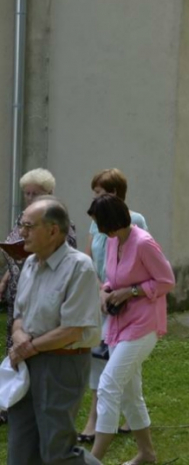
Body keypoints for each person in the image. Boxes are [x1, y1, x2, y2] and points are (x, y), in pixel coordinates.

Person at [7, 197, 101, 465]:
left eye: (28, 225)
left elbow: (72, 330)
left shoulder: (79, 267)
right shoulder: (30, 264)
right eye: (21, 224)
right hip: (27, 362)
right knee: (21, 451)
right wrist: (19, 337)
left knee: (57, 452)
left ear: (52, 231)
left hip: (62, 363)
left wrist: (30, 346)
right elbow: (19, 316)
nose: (21, 232)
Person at [88, 194, 175, 464]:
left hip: (143, 325)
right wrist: (105, 293)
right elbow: (111, 280)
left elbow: (166, 281)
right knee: (129, 393)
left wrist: (132, 292)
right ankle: (147, 453)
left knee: (108, 384)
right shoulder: (114, 241)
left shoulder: (144, 243)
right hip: (118, 324)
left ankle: (94, 459)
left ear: (113, 223)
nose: (99, 232)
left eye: (101, 225)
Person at [1, 169, 76, 426]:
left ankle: (30, 400)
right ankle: (11, 400)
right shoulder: (24, 221)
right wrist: (5, 280)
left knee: (32, 349)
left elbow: (64, 257)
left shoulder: (58, 223)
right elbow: (15, 255)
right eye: (27, 193)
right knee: (14, 344)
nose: (30, 197)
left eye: (36, 193)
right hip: (19, 292)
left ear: (49, 194)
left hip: (45, 296)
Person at [80, 168, 149, 443]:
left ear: (115, 194)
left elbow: (143, 263)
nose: (95, 199)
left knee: (124, 361)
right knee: (98, 355)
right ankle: (94, 418)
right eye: (94, 193)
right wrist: (98, 289)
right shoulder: (95, 222)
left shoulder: (136, 221)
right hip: (99, 297)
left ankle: (126, 417)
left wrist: (124, 293)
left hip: (126, 303)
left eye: (100, 193)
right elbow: (89, 257)